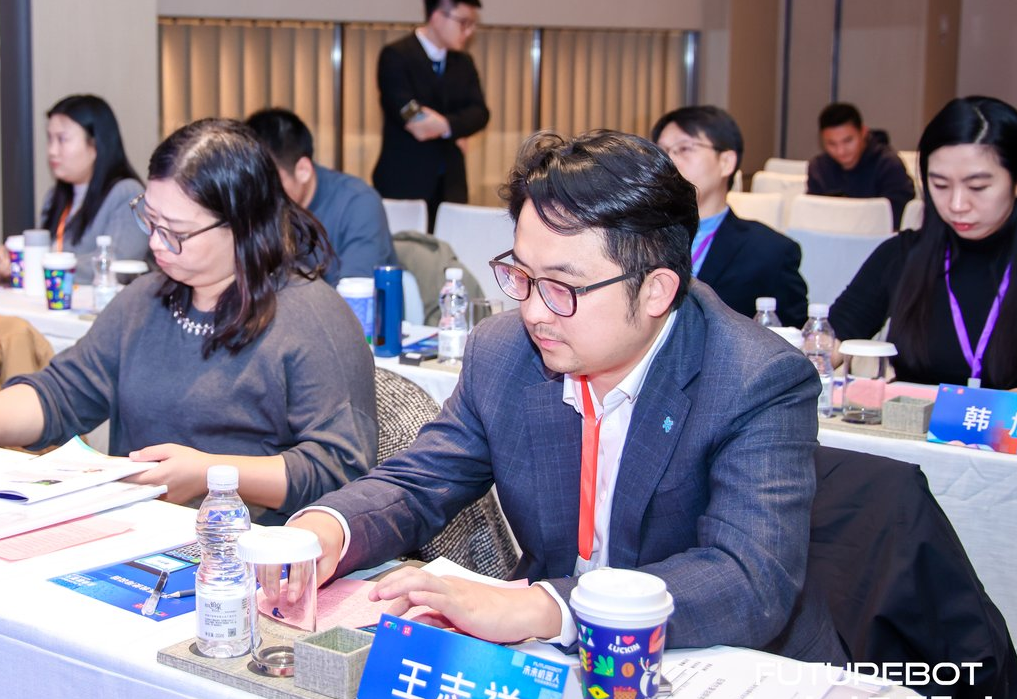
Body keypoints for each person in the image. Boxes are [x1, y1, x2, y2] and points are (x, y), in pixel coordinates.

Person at [289, 130, 842, 663]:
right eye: (522, 275)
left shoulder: (754, 378)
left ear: (656, 290)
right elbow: (420, 481)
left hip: (719, 668)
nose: (532, 311)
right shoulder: (506, 351)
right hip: (551, 661)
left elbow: (748, 577)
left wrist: (546, 607)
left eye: (562, 287)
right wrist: (329, 529)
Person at [0, 118, 376, 524]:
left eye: (175, 232)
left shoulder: (312, 318)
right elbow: (62, 393)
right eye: (150, 220)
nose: (155, 243)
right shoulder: (145, 300)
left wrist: (211, 474)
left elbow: (340, 467)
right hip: (137, 530)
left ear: (242, 225)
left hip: (250, 550)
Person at [831, 96, 1017, 391]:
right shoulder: (902, 255)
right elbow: (832, 339)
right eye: (940, 185)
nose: (957, 204)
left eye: (978, 186)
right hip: (910, 419)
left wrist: (1000, 406)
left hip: (1013, 421)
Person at [651, 106, 807, 326]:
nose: (668, 160)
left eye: (684, 148)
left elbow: (793, 337)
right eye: (661, 151)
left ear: (726, 162)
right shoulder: (635, 234)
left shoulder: (770, 252)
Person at [0, 94, 148, 275]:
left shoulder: (127, 193)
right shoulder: (54, 197)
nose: (52, 151)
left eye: (62, 139)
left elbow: (117, 265)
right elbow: (46, 253)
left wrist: (34, 266)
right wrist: (12, 260)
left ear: (95, 145)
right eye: (50, 139)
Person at [370, 0, 490, 223]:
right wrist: (456, 128)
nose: (468, 31)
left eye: (472, 24)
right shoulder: (397, 56)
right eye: (463, 22)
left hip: (451, 184)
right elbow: (409, 114)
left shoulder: (463, 62)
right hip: (404, 182)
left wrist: (445, 125)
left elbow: (479, 113)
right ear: (437, 16)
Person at [246, 107, 398, 284]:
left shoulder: (358, 203)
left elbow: (355, 293)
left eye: (267, 183)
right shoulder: (252, 210)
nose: (258, 194)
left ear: (303, 170)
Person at [807, 102, 915, 226]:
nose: (840, 151)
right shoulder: (819, 168)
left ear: (863, 132)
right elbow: (812, 214)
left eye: (848, 141)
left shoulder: (888, 164)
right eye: (832, 144)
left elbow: (899, 216)